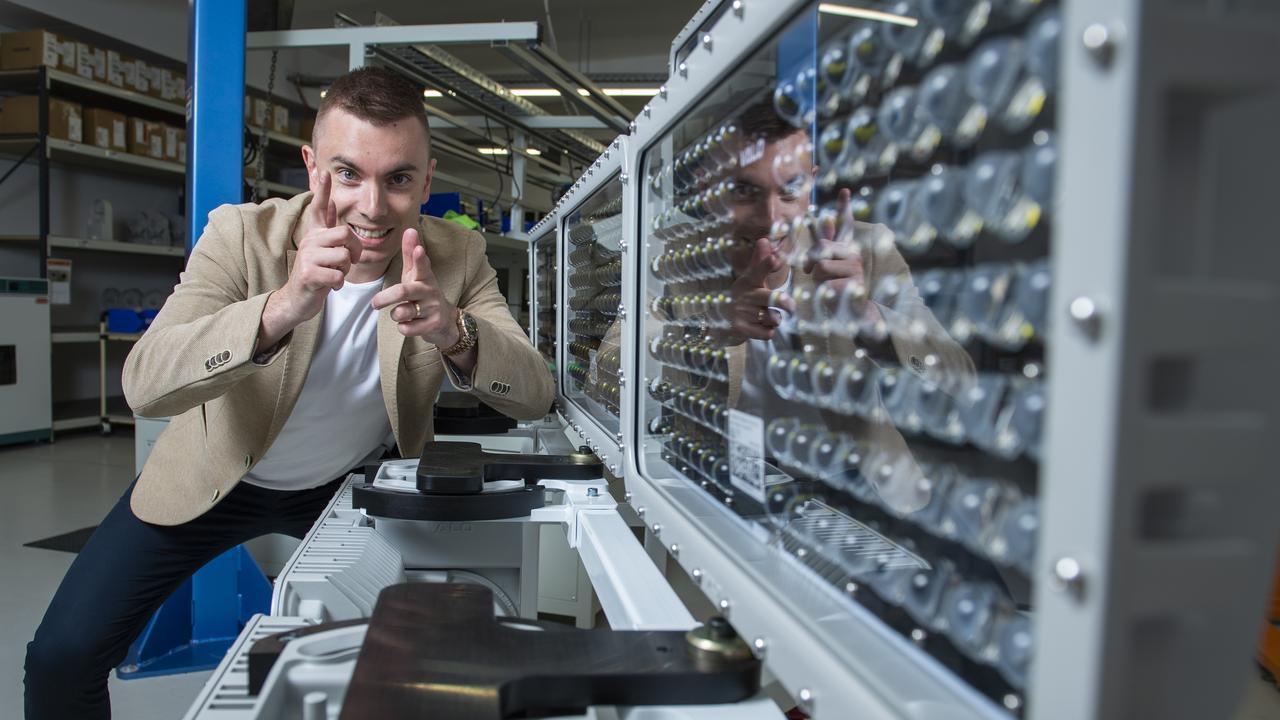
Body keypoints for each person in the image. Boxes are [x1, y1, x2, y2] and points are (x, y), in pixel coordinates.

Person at [24, 66, 554, 719]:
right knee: (60, 658)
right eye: (348, 173)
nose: (371, 206)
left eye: (398, 179)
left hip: (345, 488)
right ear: (311, 167)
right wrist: (279, 309)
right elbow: (145, 383)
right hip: (215, 477)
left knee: (412, 657)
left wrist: (457, 333)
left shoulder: (455, 256)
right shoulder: (241, 237)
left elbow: (534, 394)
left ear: (427, 177)